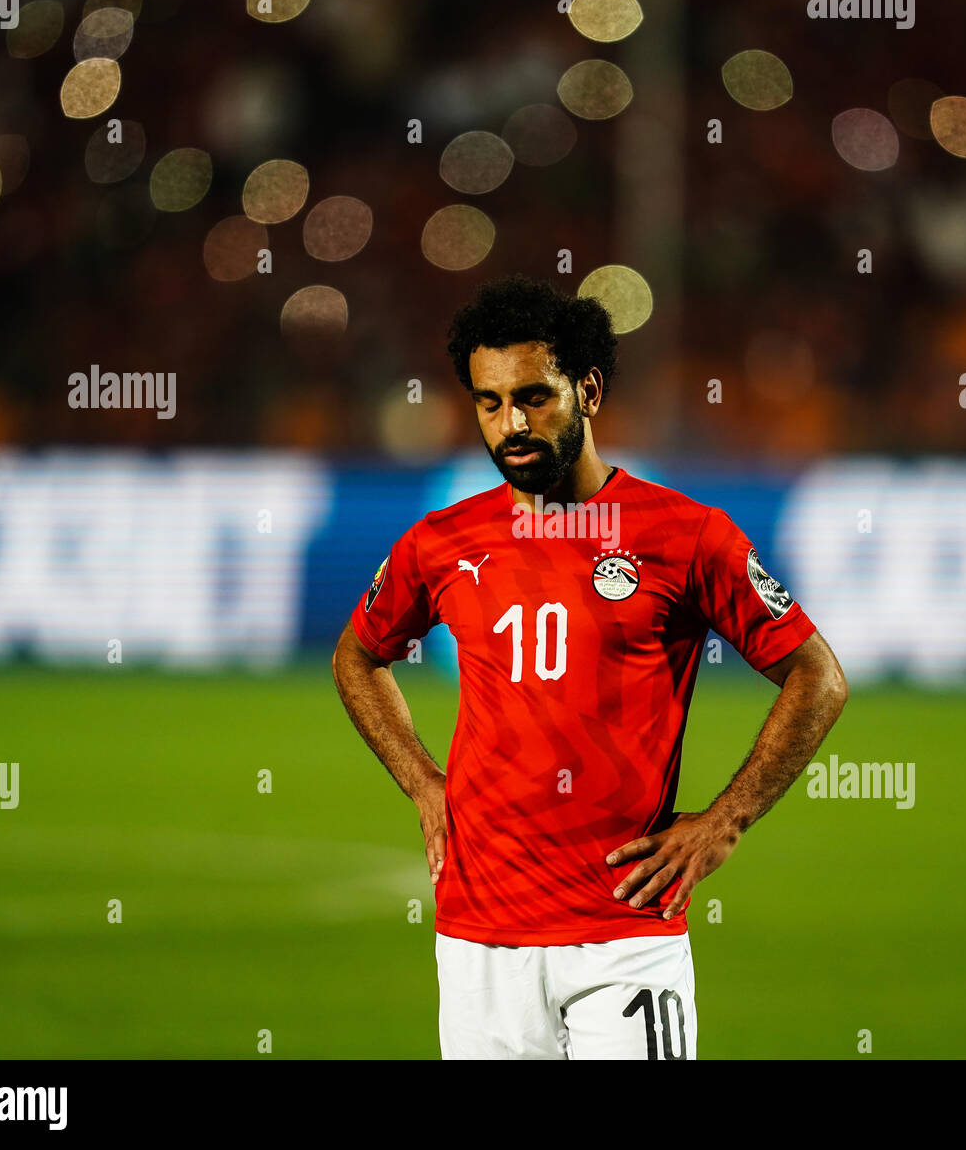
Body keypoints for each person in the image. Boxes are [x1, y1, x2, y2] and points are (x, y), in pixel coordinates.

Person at [332, 274, 847, 1059]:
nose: (512, 424)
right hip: (477, 940)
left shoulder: (687, 536)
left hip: (623, 935)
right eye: (489, 402)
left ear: (590, 390)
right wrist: (422, 781)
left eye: (534, 396)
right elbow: (359, 655)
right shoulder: (442, 542)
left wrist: (724, 820)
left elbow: (818, 676)